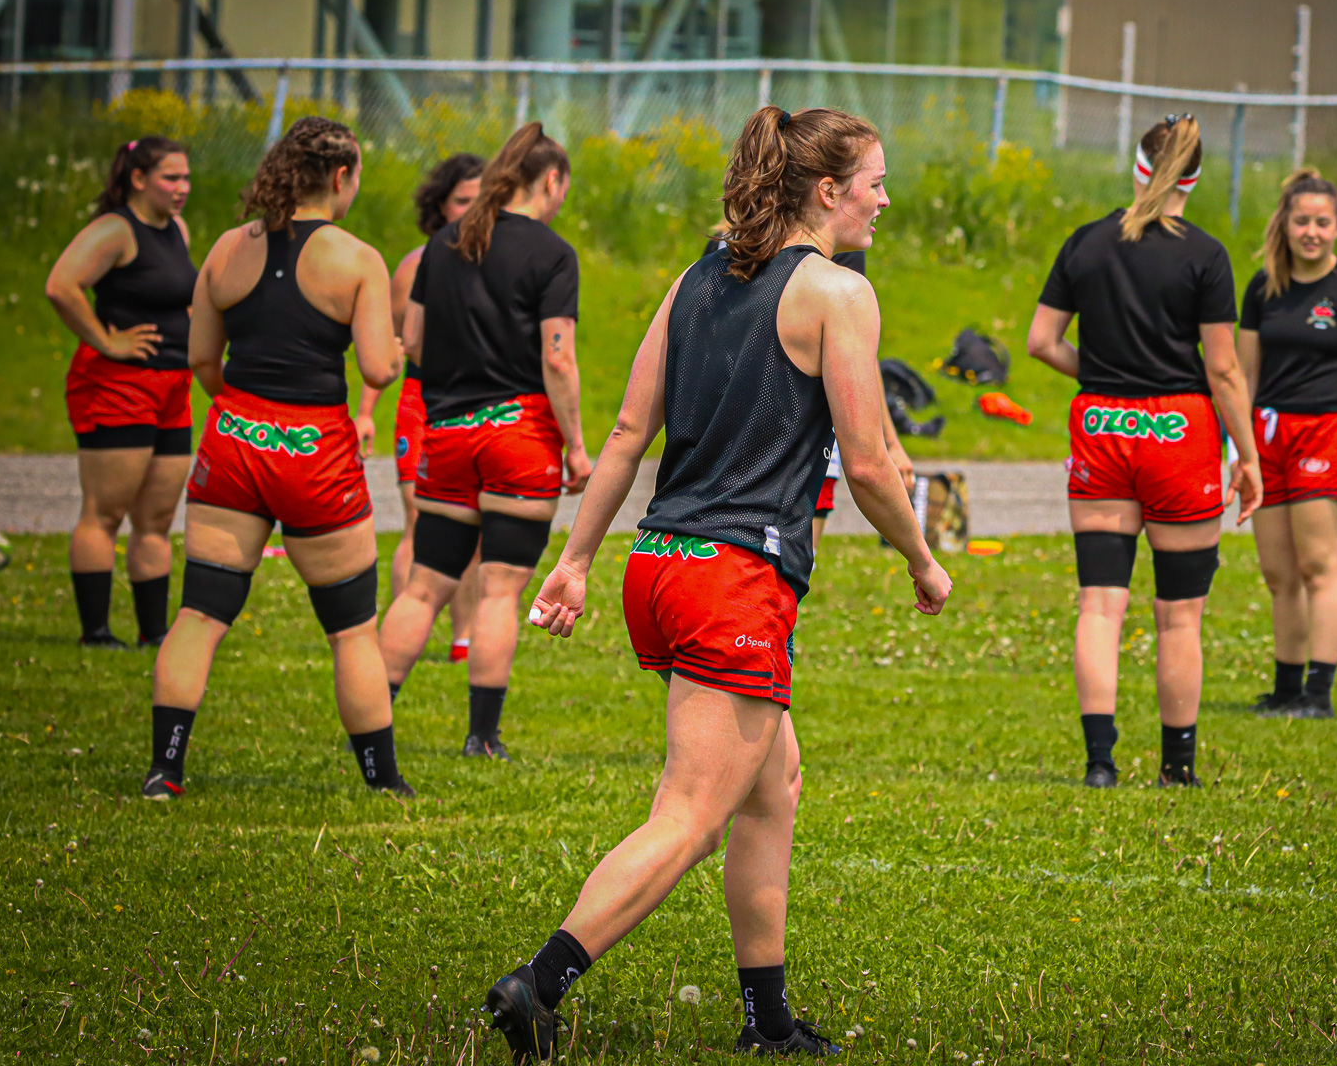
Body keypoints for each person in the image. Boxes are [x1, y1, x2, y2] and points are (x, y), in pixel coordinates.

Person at [482, 106, 952, 1062]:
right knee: (690, 815)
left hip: (662, 565)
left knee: (772, 783)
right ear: (828, 191)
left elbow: (624, 435)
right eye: (875, 181)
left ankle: (765, 1017)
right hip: (734, 575)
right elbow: (867, 466)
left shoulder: (695, 277)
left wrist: (576, 560)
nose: (885, 199)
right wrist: (922, 557)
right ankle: (540, 982)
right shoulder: (836, 292)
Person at [143, 116, 410, 799]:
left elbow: (203, 356)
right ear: (343, 176)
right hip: (315, 447)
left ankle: (165, 769)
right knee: (351, 630)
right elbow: (379, 370)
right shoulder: (356, 258)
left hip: (235, 436)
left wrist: (242, 412)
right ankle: (382, 783)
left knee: (200, 614)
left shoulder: (227, 249)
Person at [1026, 114, 1260, 790]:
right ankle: (1176, 767)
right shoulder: (1205, 255)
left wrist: (1103, 377)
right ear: (1194, 178)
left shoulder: (1087, 242)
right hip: (1180, 432)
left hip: (1099, 422)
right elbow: (1223, 372)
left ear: (1136, 166)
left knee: (1101, 603)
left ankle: (1100, 764)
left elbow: (1042, 341)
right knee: (1178, 615)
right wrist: (1246, 455)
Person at [377, 124, 590, 761]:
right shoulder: (552, 254)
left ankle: (373, 717)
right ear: (550, 180)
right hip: (519, 435)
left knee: (424, 585)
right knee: (500, 588)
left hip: (444, 431)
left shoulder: (443, 245)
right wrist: (576, 444)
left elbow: (411, 341)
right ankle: (481, 737)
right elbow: (559, 360)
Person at [1238, 169, 1337, 720]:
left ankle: (1318, 695)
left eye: (1322, 222)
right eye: (1302, 220)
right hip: (1268, 437)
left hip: (1329, 432)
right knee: (1279, 574)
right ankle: (1285, 690)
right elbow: (1244, 377)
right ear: (1285, 223)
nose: (1312, 232)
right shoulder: (1262, 288)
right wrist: (1238, 450)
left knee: (1319, 566)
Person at [45, 137, 195, 648]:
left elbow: (184, 302)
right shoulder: (115, 230)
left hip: (173, 386)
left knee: (156, 521)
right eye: (170, 178)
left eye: (186, 178)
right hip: (117, 386)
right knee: (105, 513)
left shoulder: (177, 230)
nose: (182, 189)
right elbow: (61, 286)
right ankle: (97, 632)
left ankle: (154, 633)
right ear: (138, 179)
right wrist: (107, 341)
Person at [703, 232, 916, 545]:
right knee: (784, 570)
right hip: (796, 439)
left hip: (728, 436)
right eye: (874, 185)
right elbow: (856, 357)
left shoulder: (716, 251)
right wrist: (890, 444)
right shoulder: (832, 250)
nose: (882, 200)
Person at [357, 153, 485, 663]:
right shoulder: (414, 265)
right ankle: (398, 627)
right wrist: (366, 411)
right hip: (422, 403)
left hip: (478, 405)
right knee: (419, 522)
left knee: (474, 527)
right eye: (462, 201)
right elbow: (386, 344)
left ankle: (464, 638)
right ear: (440, 205)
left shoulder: (497, 260)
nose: (472, 211)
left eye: (480, 201)